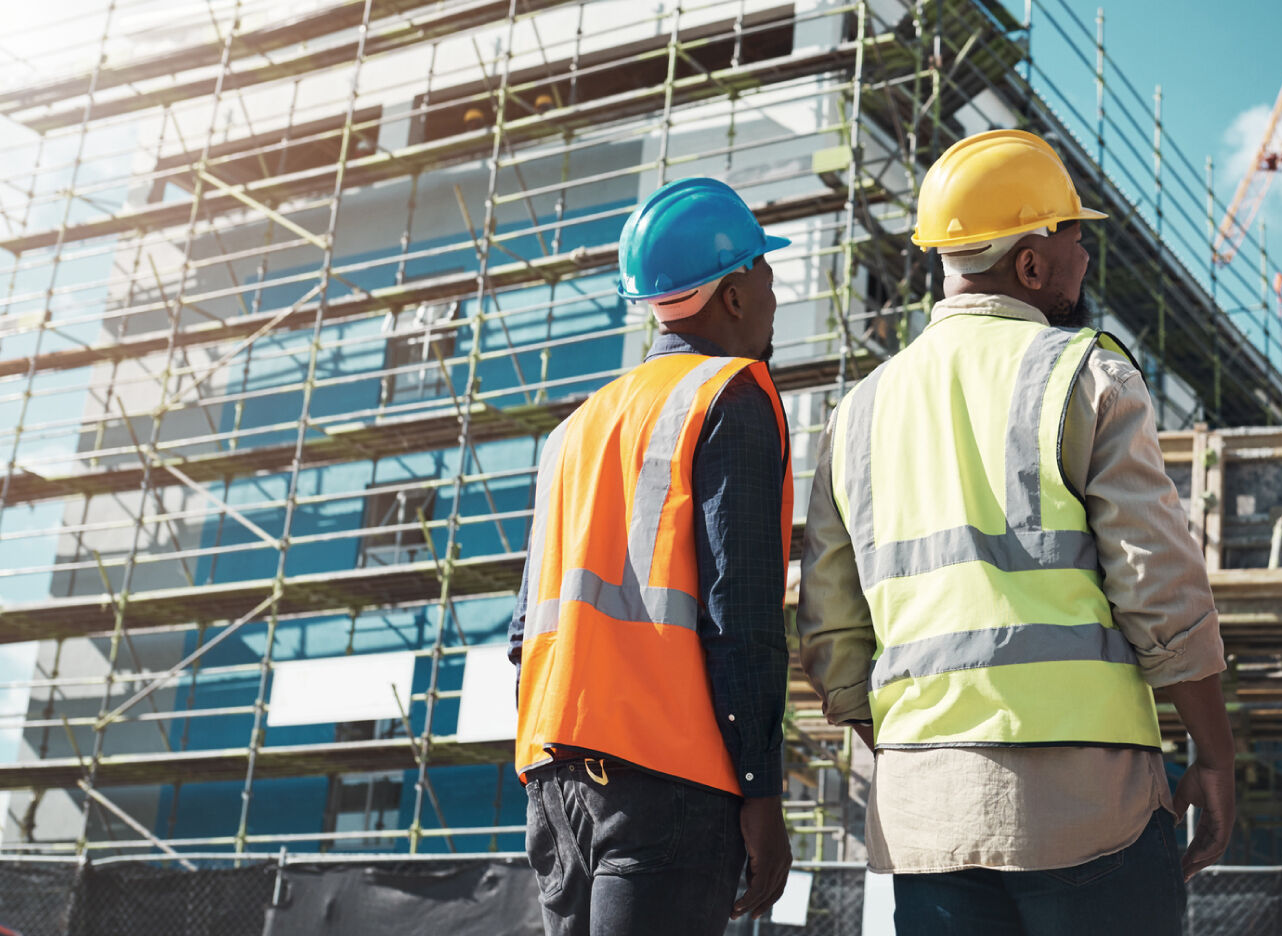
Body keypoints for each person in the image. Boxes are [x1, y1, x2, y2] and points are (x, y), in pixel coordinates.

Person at [797, 128, 1236, 935]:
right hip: (1087, 808)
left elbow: (830, 629)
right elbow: (1160, 591)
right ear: (1030, 264)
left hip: (927, 822)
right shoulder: (1086, 373)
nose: (1084, 258)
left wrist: (917, 756)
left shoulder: (855, 415)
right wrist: (1214, 755)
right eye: (1073, 237)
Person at [508, 178, 794, 935]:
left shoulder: (572, 431)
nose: (774, 292)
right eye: (765, 271)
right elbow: (744, 614)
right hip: (672, 777)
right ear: (732, 294)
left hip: (555, 780)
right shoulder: (730, 395)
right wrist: (762, 791)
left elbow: (522, 634)